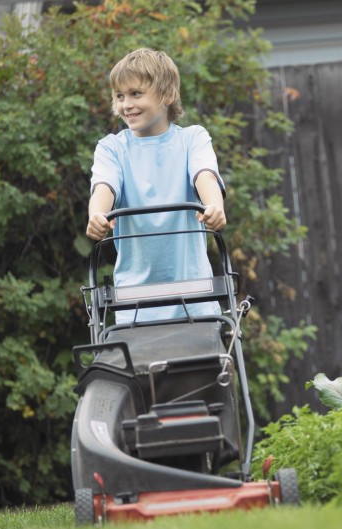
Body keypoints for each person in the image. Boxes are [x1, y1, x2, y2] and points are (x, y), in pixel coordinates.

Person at [86, 48, 226, 324]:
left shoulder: (192, 139)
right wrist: (97, 215)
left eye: (136, 94)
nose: (126, 104)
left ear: (167, 95)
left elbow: (204, 175)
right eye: (120, 96)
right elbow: (104, 186)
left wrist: (214, 206)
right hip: (136, 300)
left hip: (195, 294)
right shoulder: (112, 148)